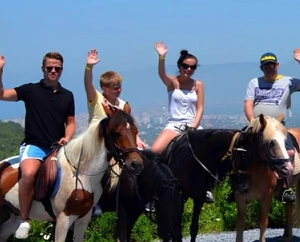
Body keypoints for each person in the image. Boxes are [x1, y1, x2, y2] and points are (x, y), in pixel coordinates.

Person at [0, 51, 76, 239]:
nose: (53, 71)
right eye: (49, 68)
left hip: (58, 147)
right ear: (43, 69)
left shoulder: (67, 95)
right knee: (29, 173)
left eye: (57, 68)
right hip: (35, 145)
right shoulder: (30, 90)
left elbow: (71, 122)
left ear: (62, 69)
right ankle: (24, 219)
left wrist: (68, 137)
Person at [244, 50, 300, 203]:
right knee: (238, 149)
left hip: (278, 127)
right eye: (265, 66)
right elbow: (248, 104)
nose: (269, 68)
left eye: (271, 64)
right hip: (257, 126)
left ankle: (284, 187)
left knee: (289, 152)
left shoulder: (287, 81)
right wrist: (252, 123)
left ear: (277, 65)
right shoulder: (254, 83)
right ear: (261, 68)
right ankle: (239, 185)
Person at [84, 49, 146, 215]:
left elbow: (128, 128)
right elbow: (87, 84)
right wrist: (88, 68)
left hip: (118, 144)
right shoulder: (96, 100)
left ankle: (143, 197)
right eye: (115, 88)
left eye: (119, 87)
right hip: (97, 143)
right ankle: (95, 202)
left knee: (140, 161)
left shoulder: (124, 105)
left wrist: (137, 140)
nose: (119, 90)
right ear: (104, 88)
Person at [150, 42, 208, 199]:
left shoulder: (198, 85)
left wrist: (193, 127)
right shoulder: (172, 82)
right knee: (154, 152)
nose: (189, 70)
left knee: (206, 153)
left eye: (193, 67)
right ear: (180, 66)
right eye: (186, 66)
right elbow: (161, 74)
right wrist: (161, 57)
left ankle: (204, 187)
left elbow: (200, 108)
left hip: (192, 124)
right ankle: (153, 189)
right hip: (174, 124)